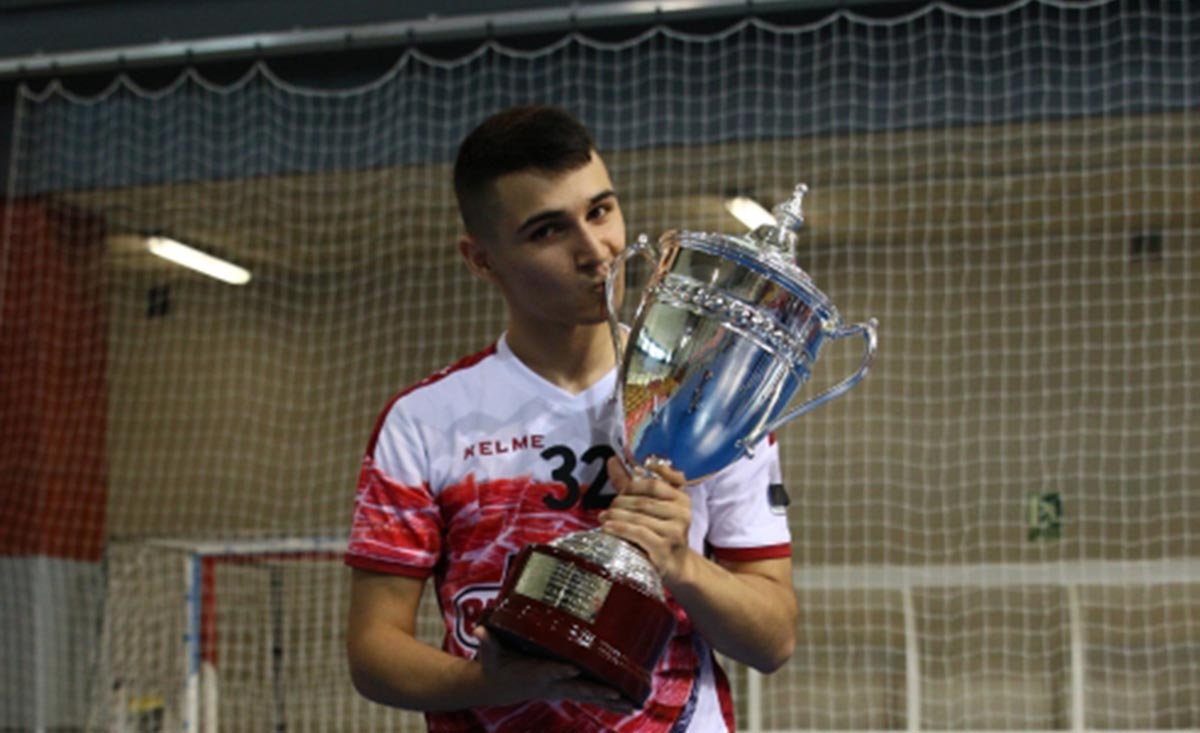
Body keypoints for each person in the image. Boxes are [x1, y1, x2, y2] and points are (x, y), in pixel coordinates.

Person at [344, 105, 798, 733]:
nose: (596, 252)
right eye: (547, 232)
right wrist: (486, 683)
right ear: (480, 259)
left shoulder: (709, 404)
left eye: (600, 211)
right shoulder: (424, 421)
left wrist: (681, 565)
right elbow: (372, 653)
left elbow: (773, 641)